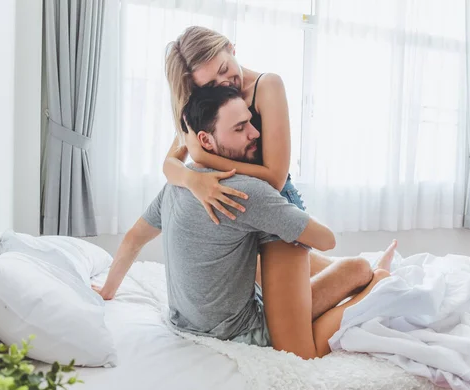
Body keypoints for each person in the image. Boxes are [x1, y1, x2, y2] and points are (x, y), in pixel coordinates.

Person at [94, 86, 394, 359]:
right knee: (356, 267)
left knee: (260, 257)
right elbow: (326, 239)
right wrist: (277, 212)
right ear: (205, 140)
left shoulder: (178, 184)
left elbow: (135, 236)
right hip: (239, 332)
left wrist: (109, 289)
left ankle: (344, 274)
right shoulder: (243, 190)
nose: (254, 133)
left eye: (250, 121)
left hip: (185, 321)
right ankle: (379, 282)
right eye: (240, 128)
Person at [161, 25, 395, 302]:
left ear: (232, 49)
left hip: (273, 202)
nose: (223, 84)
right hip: (239, 212)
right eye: (210, 84)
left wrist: (203, 159)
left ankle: (372, 278)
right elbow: (169, 165)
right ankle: (371, 273)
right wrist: (193, 179)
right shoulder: (202, 100)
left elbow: (275, 177)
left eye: (224, 68)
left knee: (300, 302)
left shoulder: (267, 86)